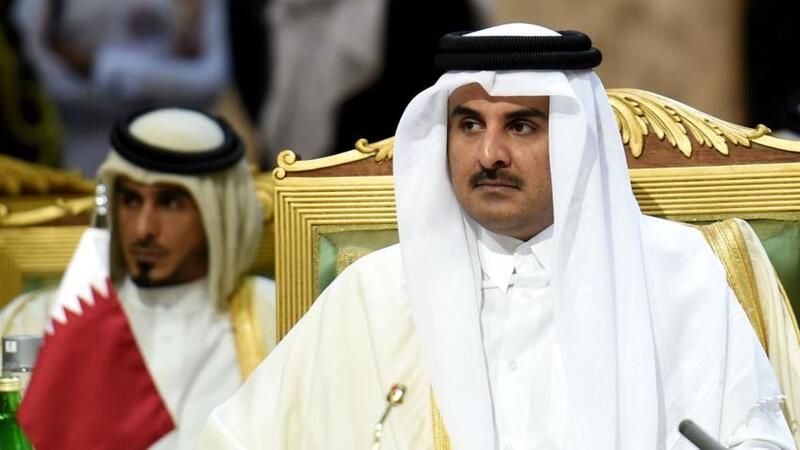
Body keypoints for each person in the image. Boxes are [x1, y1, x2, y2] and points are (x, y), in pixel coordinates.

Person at [198, 23, 798, 449]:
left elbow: (756, 438)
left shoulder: (680, 273)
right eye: (468, 124)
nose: (489, 154)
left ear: (575, 142)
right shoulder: (375, 293)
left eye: (521, 126)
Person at [0, 107, 276, 449]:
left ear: (217, 212)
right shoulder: (35, 321)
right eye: (131, 200)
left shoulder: (274, 319)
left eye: (170, 203)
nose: (144, 228)